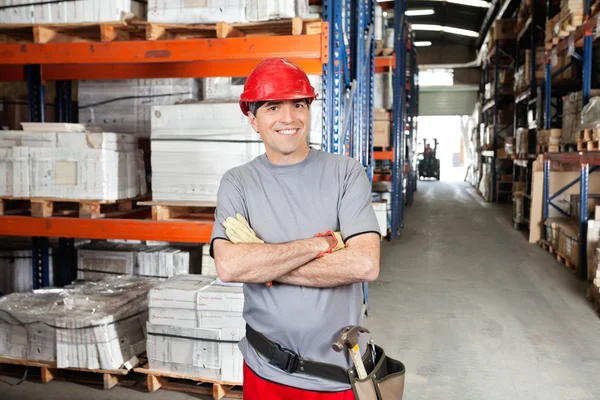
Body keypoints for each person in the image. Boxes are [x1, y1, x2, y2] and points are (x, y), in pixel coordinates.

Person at [210, 58, 381, 399]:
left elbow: (364, 264)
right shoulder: (238, 183)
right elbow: (229, 266)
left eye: (299, 105)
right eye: (273, 107)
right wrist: (322, 244)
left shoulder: (346, 173)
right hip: (265, 367)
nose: (289, 118)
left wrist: (263, 264)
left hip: (335, 376)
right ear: (253, 119)